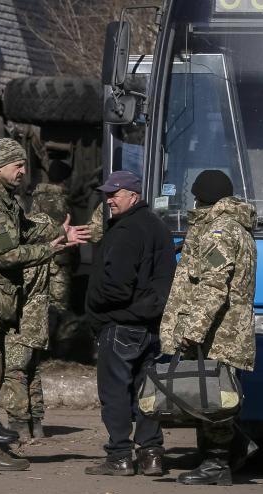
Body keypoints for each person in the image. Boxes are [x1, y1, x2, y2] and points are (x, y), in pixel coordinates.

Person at [0, 138, 87, 470]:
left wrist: (58, 232)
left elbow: (22, 231)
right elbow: (5, 253)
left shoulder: (2, 198)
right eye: (18, 166)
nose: (23, 172)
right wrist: (50, 251)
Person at [160, 170, 256, 486]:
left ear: (202, 198)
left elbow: (213, 286)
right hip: (228, 329)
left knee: (212, 399)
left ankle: (216, 463)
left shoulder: (219, 231)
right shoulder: (237, 227)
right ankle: (232, 450)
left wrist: (192, 330)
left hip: (218, 332)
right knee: (218, 397)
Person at [84, 170, 176, 477]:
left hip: (120, 324)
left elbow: (116, 285)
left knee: (115, 393)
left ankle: (120, 455)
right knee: (148, 391)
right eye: (108, 194)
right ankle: (152, 455)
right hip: (150, 326)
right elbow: (165, 278)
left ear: (133, 196)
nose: (109, 199)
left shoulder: (125, 230)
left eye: (115, 194)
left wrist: (95, 304)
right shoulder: (159, 228)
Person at [0, 212, 59, 442]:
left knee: (14, 372)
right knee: (32, 372)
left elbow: (19, 288)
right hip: (38, 322)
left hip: (22, 321)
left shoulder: (28, 257)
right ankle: (36, 422)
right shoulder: (44, 249)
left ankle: (18, 423)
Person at [30, 161, 78, 353]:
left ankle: (40, 346)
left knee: (40, 302)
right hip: (60, 261)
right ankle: (55, 348)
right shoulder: (62, 202)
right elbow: (69, 233)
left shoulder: (36, 198)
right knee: (58, 305)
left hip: (39, 259)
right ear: (65, 180)